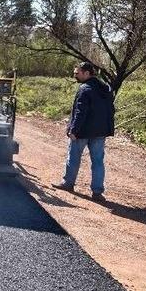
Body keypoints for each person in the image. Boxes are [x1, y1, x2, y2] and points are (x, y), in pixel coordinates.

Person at [53, 62, 115, 201]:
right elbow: (110, 110)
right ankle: (97, 192)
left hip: (83, 132)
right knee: (98, 161)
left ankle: (68, 183)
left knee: (74, 157)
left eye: (77, 73)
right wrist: (108, 128)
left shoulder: (85, 89)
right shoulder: (106, 89)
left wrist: (73, 130)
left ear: (87, 73)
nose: (75, 75)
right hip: (100, 132)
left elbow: (80, 112)